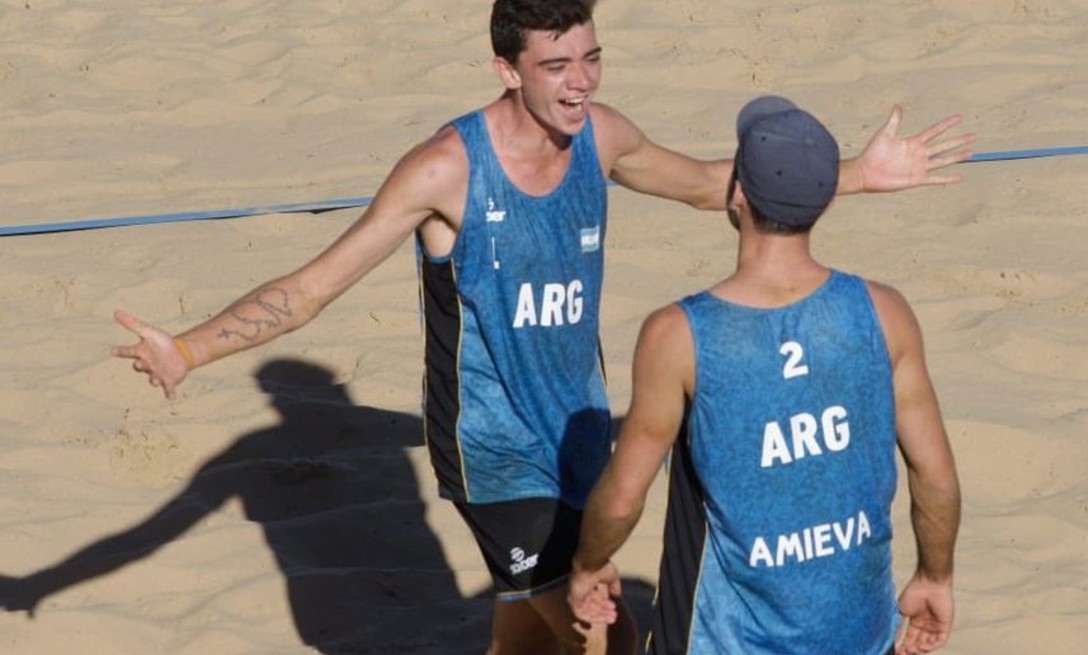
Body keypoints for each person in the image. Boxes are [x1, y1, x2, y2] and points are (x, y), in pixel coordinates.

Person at [110, 1, 972, 653]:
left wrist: (859, 174)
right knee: (608, 632)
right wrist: (188, 348)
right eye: (556, 65)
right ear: (506, 69)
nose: (580, 82)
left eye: (590, 58)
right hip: (493, 450)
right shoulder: (445, 169)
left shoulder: (602, 137)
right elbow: (313, 287)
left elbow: (712, 184)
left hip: (579, 430)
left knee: (528, 626)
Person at [568, 95, 962, 655]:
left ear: (737, 194)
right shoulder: (884, 312)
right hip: (858, 633)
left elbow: (622, 498)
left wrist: (588, 563)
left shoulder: (678, 335)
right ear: (826, 199)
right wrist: (935, 576)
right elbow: (935, 474)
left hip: (724, 638)